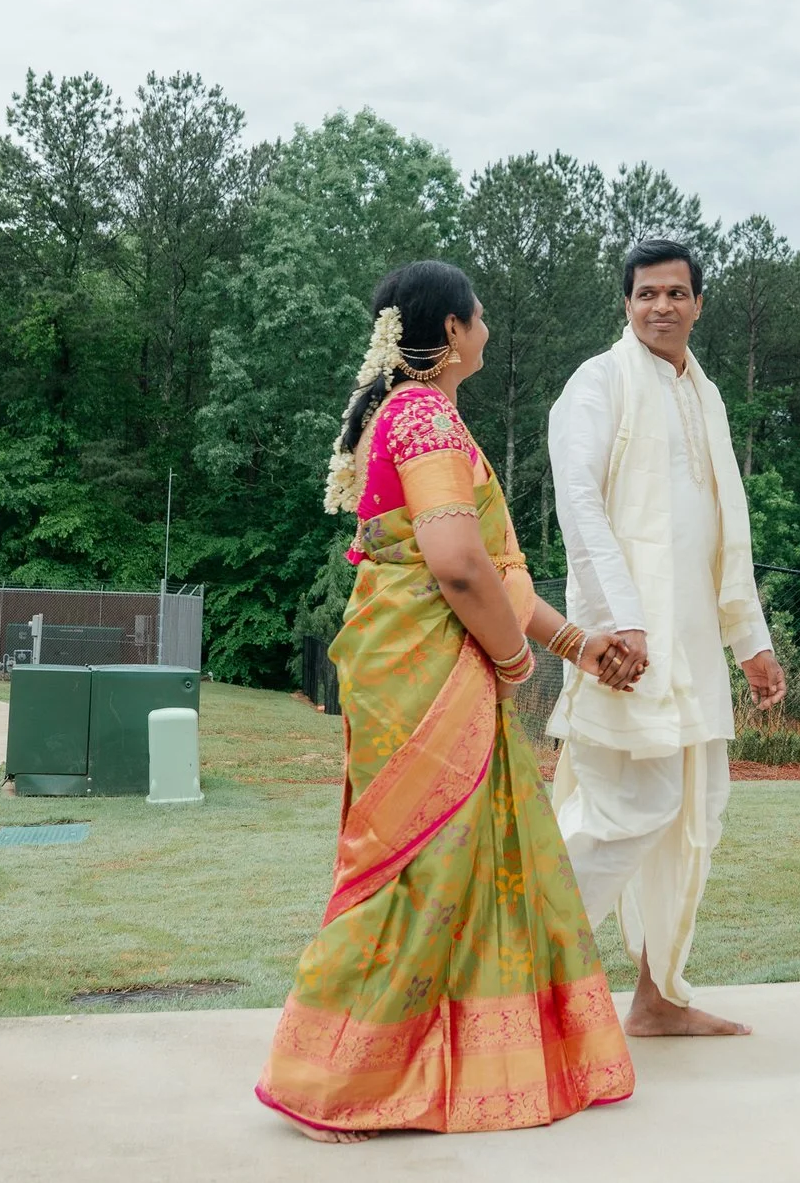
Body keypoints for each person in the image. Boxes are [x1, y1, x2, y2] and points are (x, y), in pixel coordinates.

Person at [257, 260, 638, 1141]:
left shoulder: (411, 414)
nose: (489, 329)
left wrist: (578, 645)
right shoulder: (424, 415)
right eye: (482, 316)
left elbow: (490, 572)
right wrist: (513, 659)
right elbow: (459, 565)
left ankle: (432, 1066)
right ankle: (333, 1079)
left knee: (451, 866)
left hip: (419, 659)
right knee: (414, 865)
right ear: (454, 330)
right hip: (426, 673)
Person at [546, 238, 788, 1038]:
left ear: (698, 304)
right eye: (646, 292)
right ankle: (512, 973)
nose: (661, 306)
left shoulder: (706, 395)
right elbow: (579, 503)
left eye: (676, 293)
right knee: (624, 809)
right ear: (626, 303)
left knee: (693, 816)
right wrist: (619, 619)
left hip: (692, 651)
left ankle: (657, 998)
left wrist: (748, 641)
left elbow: (724, 528)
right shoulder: (599, 381)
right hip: (627, 647)